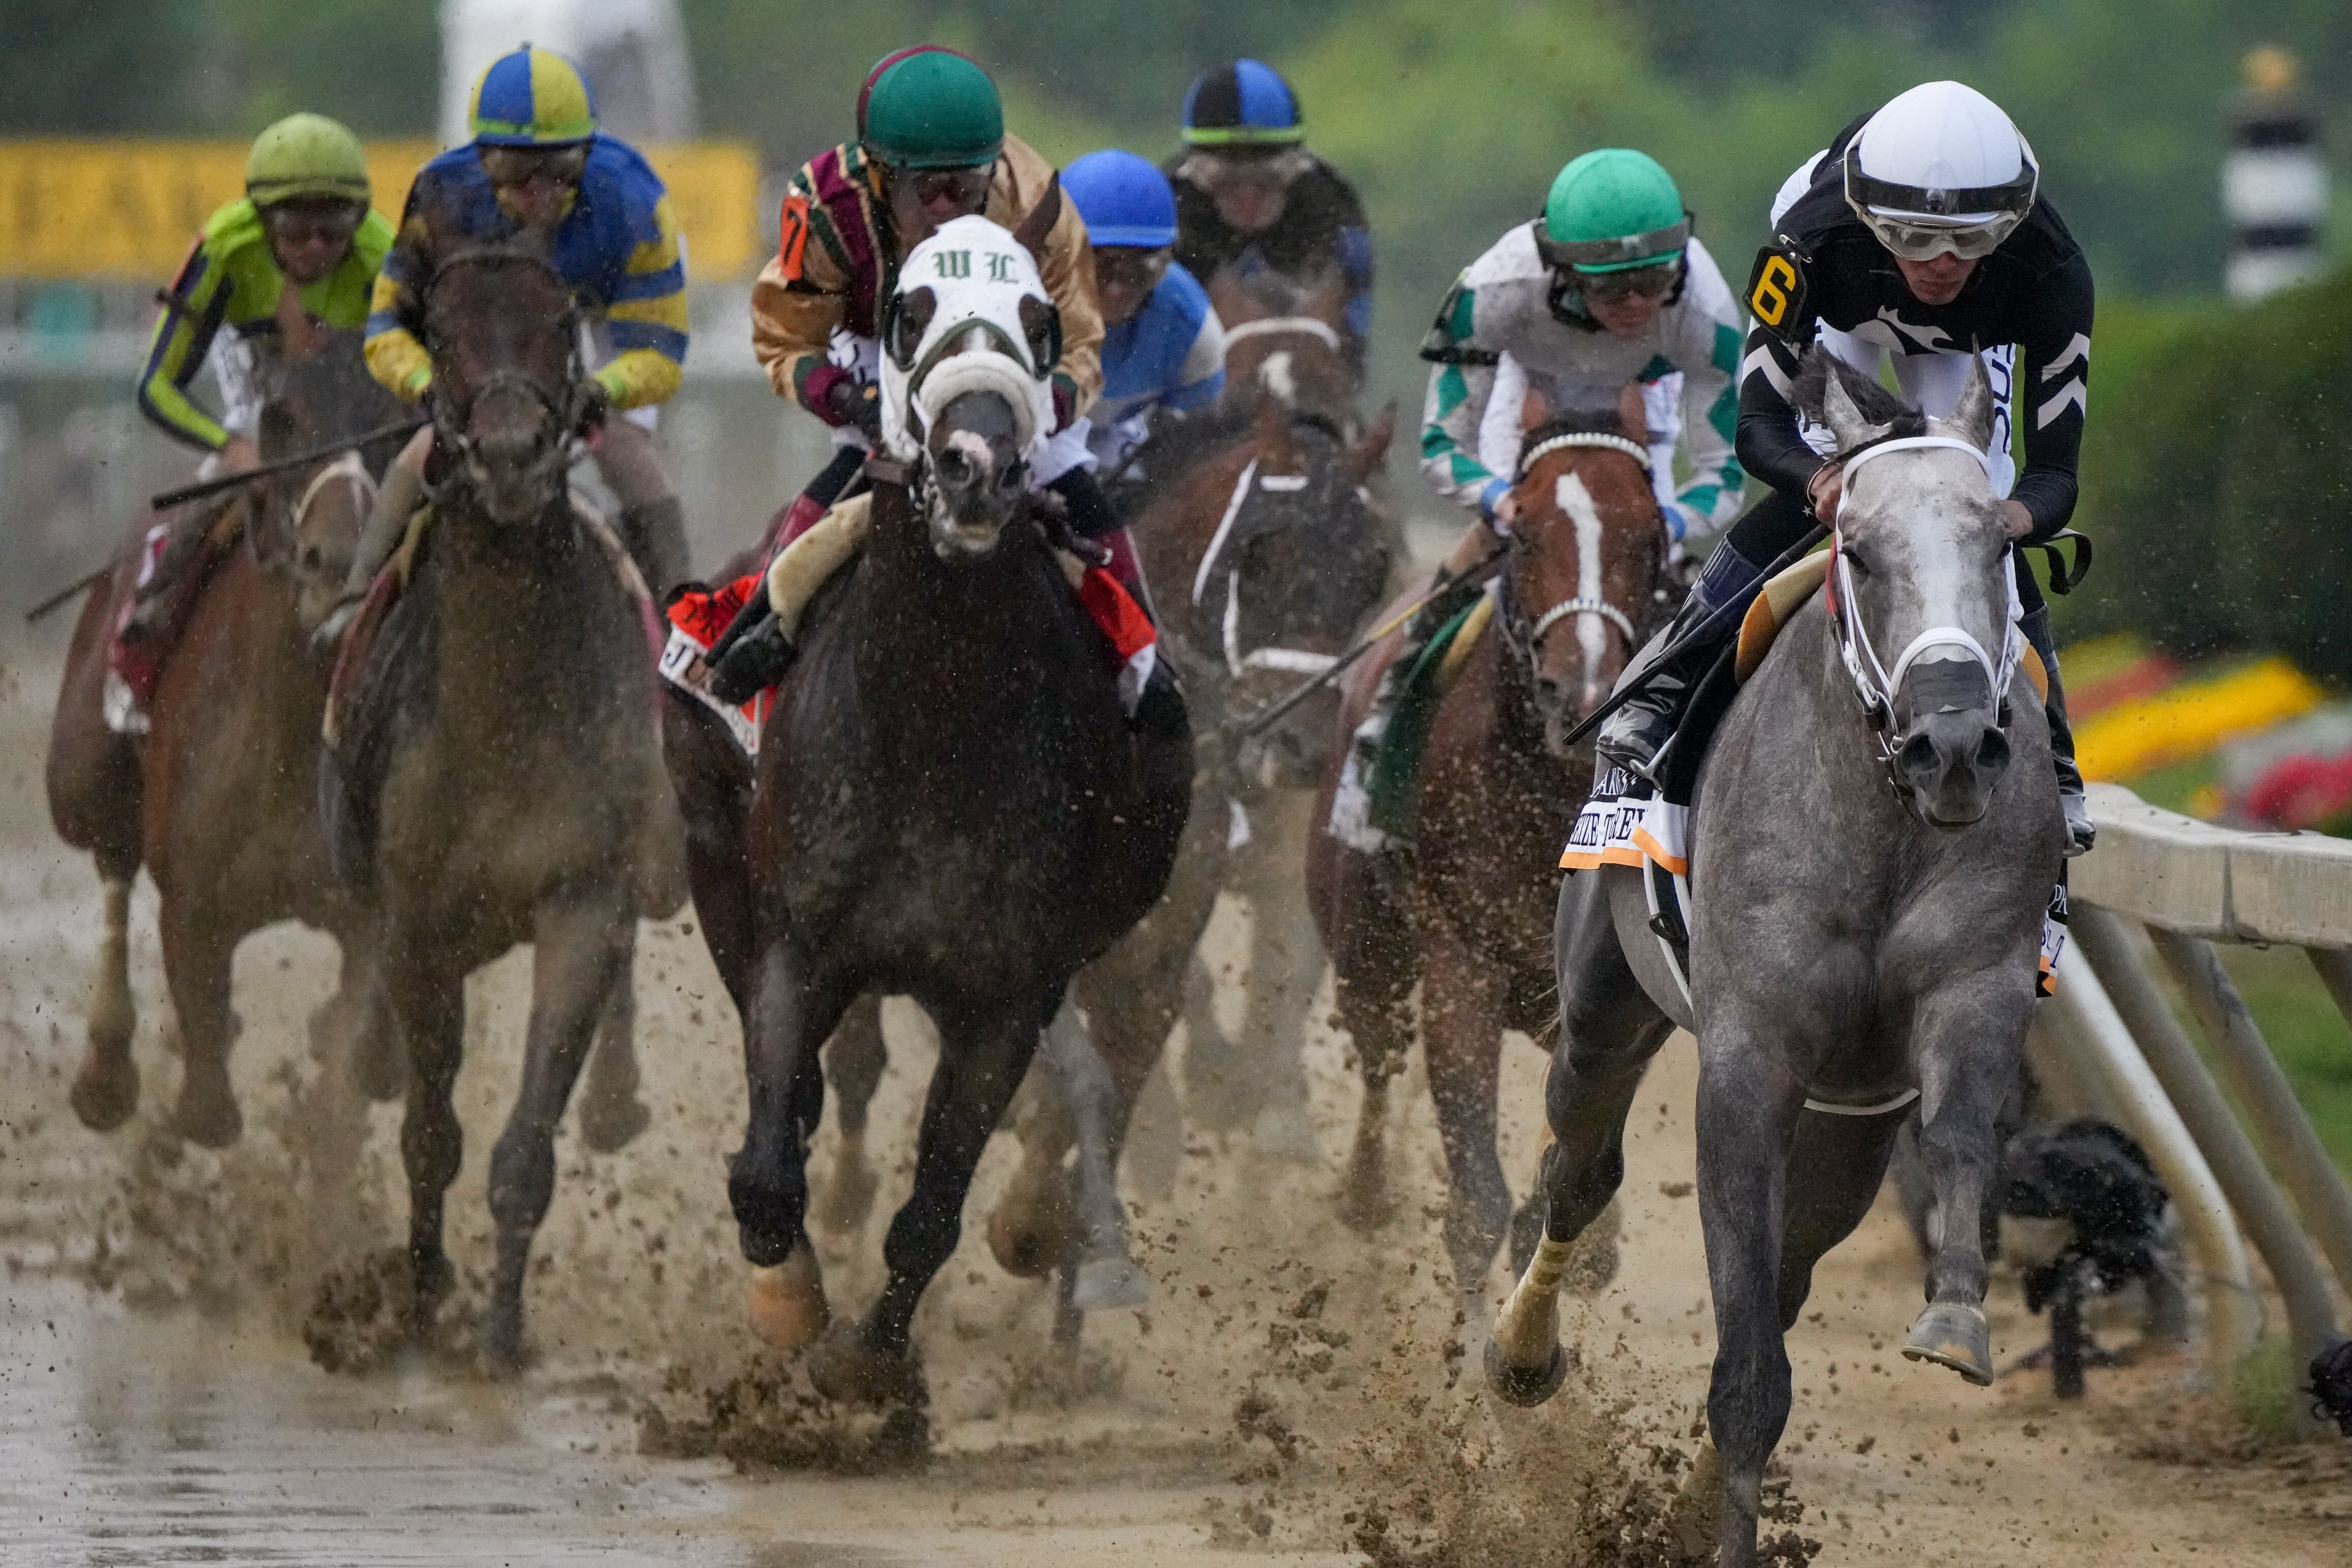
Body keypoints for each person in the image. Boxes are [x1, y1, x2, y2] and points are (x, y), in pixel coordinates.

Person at [1595, 80, 2096, 854]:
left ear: (2008, 226)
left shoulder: (2052, 270)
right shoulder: (1810, 237)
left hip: (1967, 344)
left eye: (1968, 240)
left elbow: (2053, 477)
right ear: (1867, 216)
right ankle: (1658, 688)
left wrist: (2002, 518)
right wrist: (1822, 481)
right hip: (1841, 317)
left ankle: (2053, 745)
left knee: (1971, 507)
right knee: (1836, 486)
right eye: (1910, 236)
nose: (1938, 263)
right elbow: (1757, 428)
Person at [1329, 149, 1744, 849]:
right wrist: (1501, 504)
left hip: (1644, 399)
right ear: (1560, 272)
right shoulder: (1493, 290)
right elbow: (1441, 446)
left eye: (1653, 280)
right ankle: (1382, 728)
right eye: (1615, 290)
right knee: (1505, 546)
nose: (1638, 303)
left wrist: (1662, 524)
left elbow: (1722, 472)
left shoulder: (1704, 312)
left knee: (1647, 561)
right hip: (1523, 394)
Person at [701, 46, 1132, 698]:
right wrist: (851, 401)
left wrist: (1037, 411)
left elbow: (1078, 344)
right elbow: (782, 336)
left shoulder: (1037, 201)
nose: (946, 208)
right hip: (883, 360)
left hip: (1012, 372)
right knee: (826, 500)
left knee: (1096, 512)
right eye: (924, 189)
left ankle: (1152, 680)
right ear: (877, 176)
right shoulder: (824, 206)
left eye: (964, 186)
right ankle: (762, 634)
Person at [331, 42, 692, 624]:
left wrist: (602, 392)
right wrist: (428, 387)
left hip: (599, 309)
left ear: (588, 152)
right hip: (504, 319)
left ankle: (686, 624)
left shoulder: (634, 202)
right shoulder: (442, 197)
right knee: (434, 441)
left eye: (561, 167)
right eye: (513, 169)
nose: (539, 190)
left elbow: (659, 354)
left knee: (622, 442)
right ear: (481, 159)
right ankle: (353, 605)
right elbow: (386, 327)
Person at [120, 114, 392, 644]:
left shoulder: (385, 254)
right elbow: (154, 387)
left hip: (345, 368)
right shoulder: (225, 247)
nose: (314, 248)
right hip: (250, 352)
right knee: (244, 469)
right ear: (263, 222)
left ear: (358, 223)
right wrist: (232, 448)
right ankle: (154, 607)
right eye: (294, 233)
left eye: (333, 234)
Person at [1166, 59, 1371, 367]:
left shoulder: (1330, 199)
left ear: (1296, 167)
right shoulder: (1169, 202)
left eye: (1267, 179)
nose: (1248, 196)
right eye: (1226, 180)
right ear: (1195, 171)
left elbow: (1343, 338)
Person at [1060, 148, 1226, 496]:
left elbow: (1195, 456)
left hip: (1120, 450)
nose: (1117, 289)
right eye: (1098, 269)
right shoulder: (1019, 304)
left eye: (1138, 272)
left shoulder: (1192, 327)